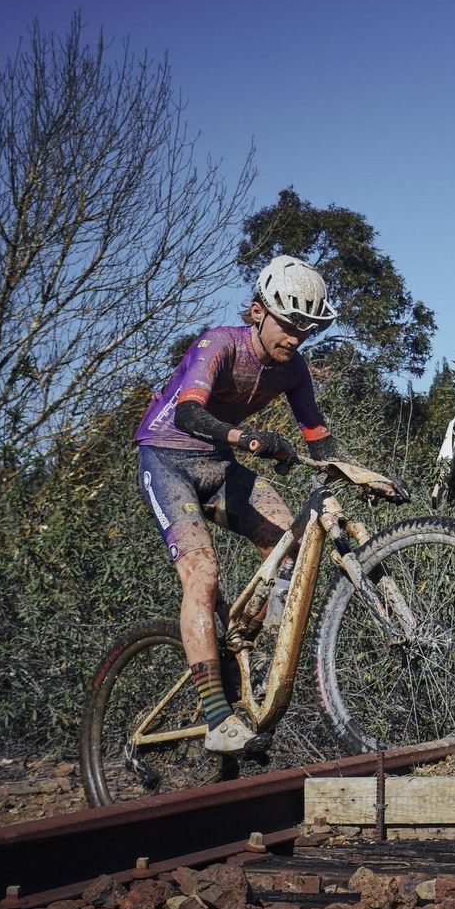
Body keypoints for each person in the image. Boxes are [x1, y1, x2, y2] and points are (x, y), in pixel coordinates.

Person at [134, 255, 345, 754]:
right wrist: (246, 439)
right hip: (167, 460)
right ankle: (216, 720)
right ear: (258, 312)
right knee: (203, 574)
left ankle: (250, 637)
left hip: (217, 464)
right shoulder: (220, 343)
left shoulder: (293, 371)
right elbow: (187, 412)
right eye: (289, 324)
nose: (295, 338)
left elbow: (318, 437)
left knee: (287, 539)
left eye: (307, 330)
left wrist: (362, 474)